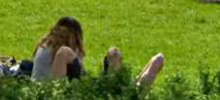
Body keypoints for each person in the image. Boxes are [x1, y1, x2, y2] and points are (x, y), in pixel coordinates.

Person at [31, 17, 163, 94]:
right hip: (62, 93)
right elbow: (64, 84)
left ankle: (128, 87)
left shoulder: (46, 45)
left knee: (114, 53)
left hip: (49, 91)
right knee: (115, 55)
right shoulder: (63, 51)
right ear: (73, 35)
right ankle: (127, 89)